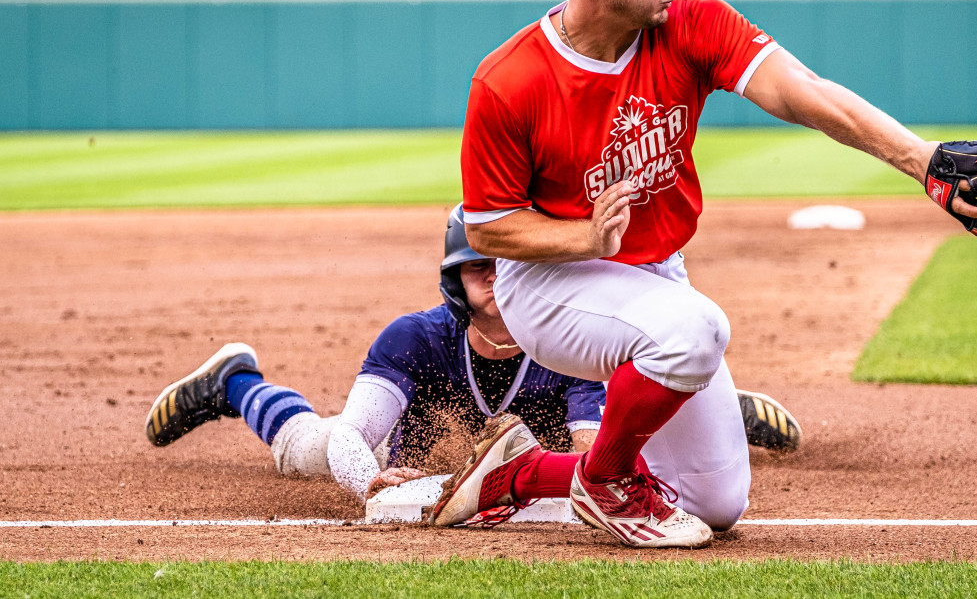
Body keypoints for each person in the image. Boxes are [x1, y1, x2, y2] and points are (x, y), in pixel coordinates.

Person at [428, 0, 977, 548]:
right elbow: (489, 228)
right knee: (696, 330)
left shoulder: (691, 25)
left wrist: (921, 161)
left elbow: (802, 90)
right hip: (547, 285)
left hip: (653, 275)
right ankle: (606, 483)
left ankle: (518, 475)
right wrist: (584, 235)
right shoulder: (510, 80)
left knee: (716, 503)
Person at [145, 205, 800, 504]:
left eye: (502, 262)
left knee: (634, 448)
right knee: (308, 452)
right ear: (451, 278)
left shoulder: (569, 337)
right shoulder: (415, 337)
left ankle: (694, 400)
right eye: (473, 266)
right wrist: (362, 479)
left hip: (530, 463)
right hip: (402, 469)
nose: (490, 276)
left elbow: (591, 448)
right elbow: (353, 436)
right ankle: (235, 380)